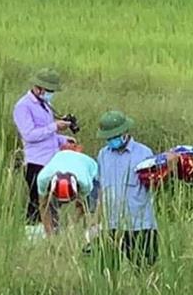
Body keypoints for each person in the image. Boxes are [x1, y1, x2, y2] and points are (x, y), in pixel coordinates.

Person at [96, 110, 180, 263]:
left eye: (114, 137)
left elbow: (155, 183)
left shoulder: (143, 153)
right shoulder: (103, 154)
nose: (111, 141)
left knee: (145, 268)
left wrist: (168, 164)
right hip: (112, 224)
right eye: (108, 138)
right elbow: (102, 189)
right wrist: (96, 220)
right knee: (108, 270)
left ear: (125, 132)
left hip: (140, 225)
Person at [12, 68, 73, 226]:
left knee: (52, 204)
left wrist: (63, 139)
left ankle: (51, 235)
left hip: (51, 161)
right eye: (49, 90)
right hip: (35, 163)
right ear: (38, 88)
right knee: (36, 203)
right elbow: (29, 135)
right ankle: (32, 234)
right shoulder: (23, 106)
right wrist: (55, 127)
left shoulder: (45, 104)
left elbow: (47, 135)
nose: (51, 94)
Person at [36, 143, 99, 236]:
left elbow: (81, 204)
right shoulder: (43, 178)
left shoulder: (85, 182)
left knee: (91, 207)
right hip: (61, 159)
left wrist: (72, 225)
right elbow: (43, 206)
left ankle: (89, 231)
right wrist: (49, 233)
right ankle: (55, 230)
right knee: (51, 210)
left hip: (90, 169)